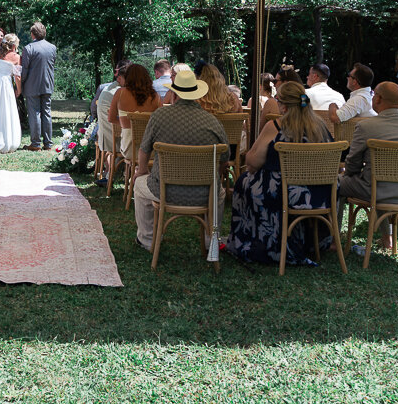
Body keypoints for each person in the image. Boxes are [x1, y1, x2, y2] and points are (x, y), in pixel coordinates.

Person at [229, 81, 334, 265]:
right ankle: (309, 242)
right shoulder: (321, 127)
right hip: (320, 193)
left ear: (283, 106)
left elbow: (252, 162)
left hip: (284, 194)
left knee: (244, 181)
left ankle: (259, 240)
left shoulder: (276, 126)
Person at [132, 69, 229, 251]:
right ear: (196, 95)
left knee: (138, 184)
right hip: (204, 193)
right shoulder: (212, 122)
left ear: (174, 94)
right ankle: (211, 240)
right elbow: (225, 158)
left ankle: (147, 239)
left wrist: (142, 171)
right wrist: (213, 178)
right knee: (220, 193)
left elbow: (144, 150)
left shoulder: (159, 116)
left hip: (164, 191)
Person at [337, 82, 398, 251]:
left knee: (337, 183)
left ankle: (333, 239)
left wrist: (350, 174)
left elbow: (352, 163)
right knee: (377, 177)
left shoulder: (366, 126)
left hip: (376, 190)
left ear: (378, 99)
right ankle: (387, 239)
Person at [104, 63, 162, 185]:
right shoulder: (155, 97)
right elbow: (161, 121)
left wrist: (125, 124)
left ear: (128, 77)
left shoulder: (120, 93)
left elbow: (111, 118)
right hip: (151, 151)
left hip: (130, 148)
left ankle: (136, 177)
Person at [21, 22, 57, 151]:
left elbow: (24, 69)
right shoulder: (52, 47)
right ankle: (48, 143)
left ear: (32, 34)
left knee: (34, 114)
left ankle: (35, 144)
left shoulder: (28, 48)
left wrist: (20, 82)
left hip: (32, 86)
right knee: (47, 113)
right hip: (47, 84)